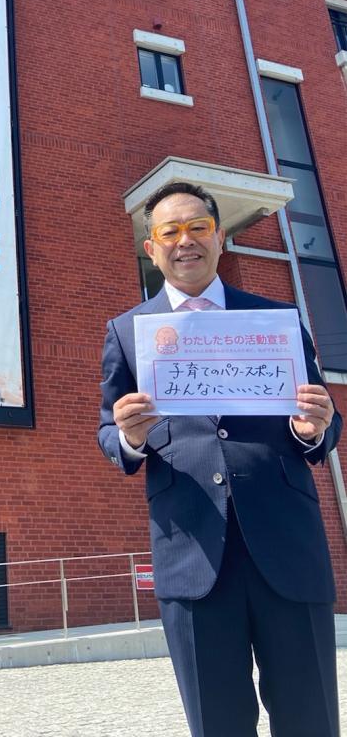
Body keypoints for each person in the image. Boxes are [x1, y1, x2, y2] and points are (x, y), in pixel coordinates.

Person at [98, 181, 341, 737]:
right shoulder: (128, 332)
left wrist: (312, 429)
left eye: (198, 227)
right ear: (151, 247)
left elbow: (325, 422)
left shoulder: (278, 321)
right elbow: (108, 431)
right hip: (192, 552)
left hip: (287, 546)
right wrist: (130, 438)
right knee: (218, 725)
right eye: (170, 232)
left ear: (220, 236)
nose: (185, 241)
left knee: (311, 719)